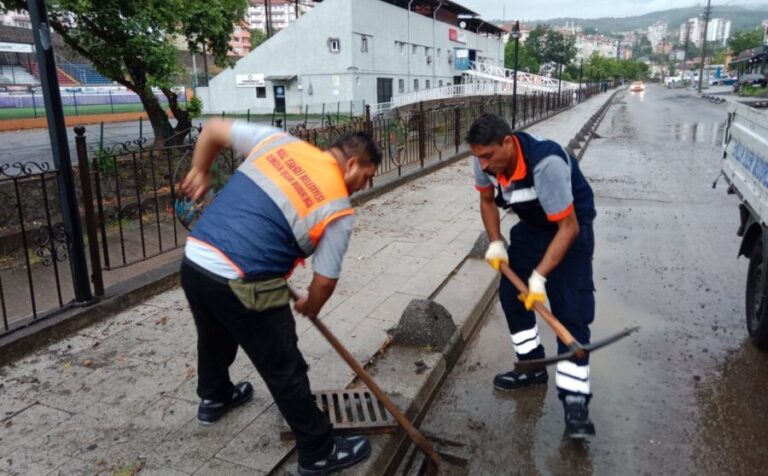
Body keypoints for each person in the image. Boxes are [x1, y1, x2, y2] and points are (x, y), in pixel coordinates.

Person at [180, 118, 381, 474]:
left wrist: (201, 170)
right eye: (365, 177)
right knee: (284, 367)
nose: (363, 187)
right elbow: (325, 282)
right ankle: (319, 451)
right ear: (352, 164)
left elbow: (211, 130)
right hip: (246, 280)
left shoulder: (278, 142)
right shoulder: (337, 209)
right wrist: (311, 305)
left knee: (214, 334)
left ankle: (215, 396)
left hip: (196, 260)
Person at [467, 113, 598, 439]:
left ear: (508, 143)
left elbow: (567, 228)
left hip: (570, 227)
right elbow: (486, 200)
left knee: (570, 316)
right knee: (512, 296)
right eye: (477, 156)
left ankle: (576, 405)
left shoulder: (546, 163)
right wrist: (496, 242)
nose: (483, 165)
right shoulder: (482, 163)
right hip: (534, 226)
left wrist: (539, 277)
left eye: (488, 156)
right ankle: (532, 367)